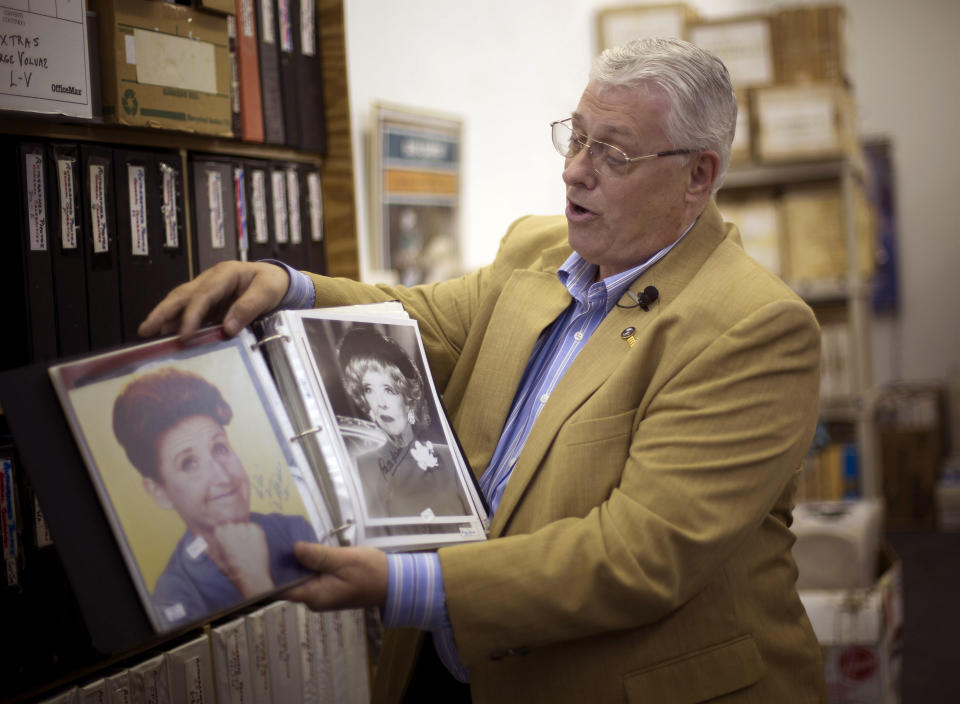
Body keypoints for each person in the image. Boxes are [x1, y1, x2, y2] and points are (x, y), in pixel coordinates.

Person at [139, 38, 826, 703]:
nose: (575, 171)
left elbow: (639, 557)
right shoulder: (536, 247)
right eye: (576, 137)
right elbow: (424, 323)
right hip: (452, 666)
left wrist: (406, 584)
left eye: (612, 153)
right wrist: (288, 288)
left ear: (697, 176)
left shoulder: (754, 326)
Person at [112, 367, 317, 629]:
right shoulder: (175, 597)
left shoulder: (294, 530)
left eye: (219, 448)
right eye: (189, 463)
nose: (221, 475)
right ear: (159, 492)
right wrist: (252, 580)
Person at [337, 325, 469, 518]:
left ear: (409, 399)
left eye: (388, 390)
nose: (380, 403)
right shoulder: (363, 467)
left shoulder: (450, 459)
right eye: (369, 389)